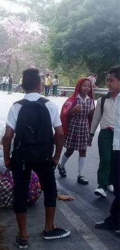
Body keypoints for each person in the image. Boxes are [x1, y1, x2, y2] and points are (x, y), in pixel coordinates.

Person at [3, 68, 69, 248]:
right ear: (40, 85)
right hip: (44, 156)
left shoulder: (17, 106)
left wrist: (7, 158)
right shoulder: (50, 105)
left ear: (23, 85)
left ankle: (23, 235)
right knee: (49, 188)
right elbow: (60, 134)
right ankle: (49, 228)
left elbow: (8, 136)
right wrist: (56, 157)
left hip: (22, 156)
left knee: (20, 192)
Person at [95, 66, 120, 237]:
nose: (108, 83)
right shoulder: (113, 99)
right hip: (116, 146)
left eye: (111, 80)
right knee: (117, 185)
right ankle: (114, 219)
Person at [58, 78, 95, 185]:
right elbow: (64, 114)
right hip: (73, 126)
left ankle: (81, 175)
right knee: (70, 150)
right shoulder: (72, 100)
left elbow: (91, 116)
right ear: (79, 86)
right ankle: (61, 165)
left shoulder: (90, 100)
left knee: (83, 150)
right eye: (84, 86)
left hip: (84, 127)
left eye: (89, 86)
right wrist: (72, 111)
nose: (87, 88)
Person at [89, 71, 120, 197]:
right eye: (108, 80)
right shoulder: (102, 100)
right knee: (105, 159)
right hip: (105, 133)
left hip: (118, 135)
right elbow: (96, 118)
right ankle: (102, 186)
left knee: (114, 160)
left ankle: (110, 182)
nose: (108, 84)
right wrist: (91, 135)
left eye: (111, 80)